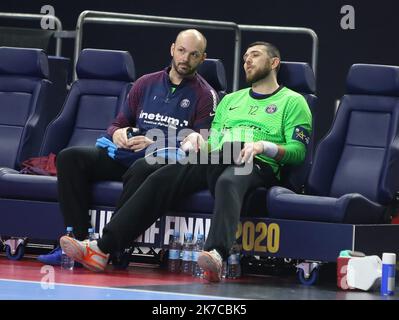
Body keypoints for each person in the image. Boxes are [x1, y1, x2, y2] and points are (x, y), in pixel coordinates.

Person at [60, 41, 312, 282]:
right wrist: (196, 141)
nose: (247, 60)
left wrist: (263, 146)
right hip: (218, 156)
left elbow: (298, 151)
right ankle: (102, 249)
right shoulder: (232, 100)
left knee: (228, 182)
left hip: (257, 162)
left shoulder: (293, 101)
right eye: (245, 56)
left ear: (274, 62)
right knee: (161, 177)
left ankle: (216, 254)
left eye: (255, 55)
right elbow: (213, 142)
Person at [38, 29, 218, 266]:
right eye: (182, 51)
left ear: (202, 58)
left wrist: (156, 142)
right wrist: (118, 133)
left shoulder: (206, 95)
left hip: (161, 160)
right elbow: (117, 124)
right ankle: (79, 240)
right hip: (127, 154)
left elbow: (200, 143)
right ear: (172, 49)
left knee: (143, 166)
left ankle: (113, 248)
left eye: (193, 55)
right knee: (70, 157)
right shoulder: (146, 83)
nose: (185, 59)